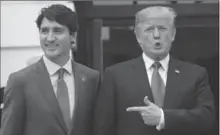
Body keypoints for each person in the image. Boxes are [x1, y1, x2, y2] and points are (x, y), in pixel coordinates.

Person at [94, 6, 215, 135]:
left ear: (173, 34)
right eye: (149, 29)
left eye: (162, 29)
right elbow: (103, 128)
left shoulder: (195, 74)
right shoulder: (115, 75)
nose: (156, 35)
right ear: (138, 36)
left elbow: (207, 119)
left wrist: (163, 117)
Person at [1, 4, 99, 135]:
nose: (50, 38)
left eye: (57, 31)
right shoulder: (20, 81)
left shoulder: (91, 78)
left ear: (72, 36)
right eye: (44, 31)